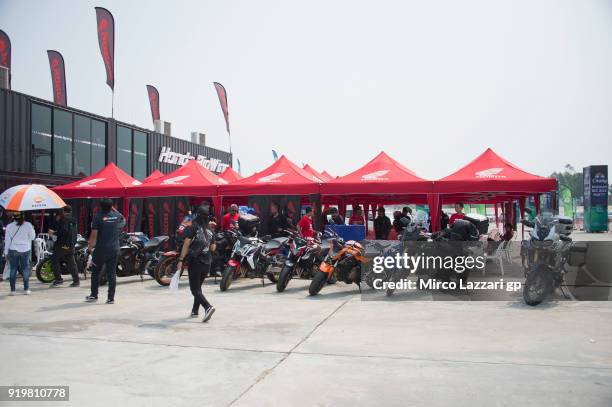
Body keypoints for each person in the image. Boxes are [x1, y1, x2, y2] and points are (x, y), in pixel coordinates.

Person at [176, 205, 216, 322]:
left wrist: (181, 260)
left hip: (195, 261)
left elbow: (186, 244)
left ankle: (208, 307)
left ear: (196, 215)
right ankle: (195, 310)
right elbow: (213, 248)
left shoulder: (192, 227)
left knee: (194, 290)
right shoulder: (210, 230)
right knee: (198, 288)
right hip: (207, 262)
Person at [85, 199, 125, 304]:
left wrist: (89, 248)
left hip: (101, 250)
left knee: (95, 273)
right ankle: (110, 298)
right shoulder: (116, 216)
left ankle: (94, 295)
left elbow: (94, 235)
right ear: (112, 206)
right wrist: (112, 208)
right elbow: (123, 218)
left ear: (100, 206)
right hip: (114, 249)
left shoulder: (98, 217)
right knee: (112, 273)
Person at [4, 212, 36, 295]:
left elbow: (7, 241)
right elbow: (33, 237)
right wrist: (32, 229)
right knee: (25, 269)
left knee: (13, 269)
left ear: (13, 217)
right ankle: (26, 289)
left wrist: (5, 252)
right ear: (23, 216)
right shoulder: (28, 225)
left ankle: (12, 290)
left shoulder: (9, 226)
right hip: (25, 249)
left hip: (13, 249)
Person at [49, 205, 80, 287]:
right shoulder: (74, 219)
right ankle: (76, 280)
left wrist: (54, 232)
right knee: (71, 262)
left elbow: (64, 231)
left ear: (64, 211)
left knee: (54, 259)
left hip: (63, 245)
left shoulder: (64, 219)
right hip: (71, 244)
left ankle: (58, 279)